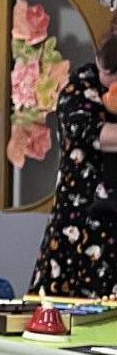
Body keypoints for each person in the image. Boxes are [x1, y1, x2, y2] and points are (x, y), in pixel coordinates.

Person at [30, 29, 117, 300]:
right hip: (78, 229)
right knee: (59, 319)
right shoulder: (77, 91)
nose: (112, 81)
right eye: (108, 72)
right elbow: (102, 137)